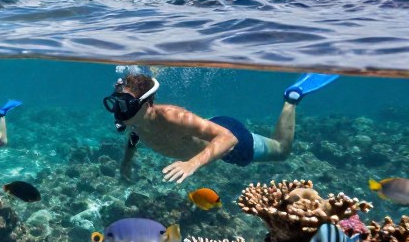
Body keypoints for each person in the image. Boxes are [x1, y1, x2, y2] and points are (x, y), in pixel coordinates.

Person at [105, 72, 338, 184]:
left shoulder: (173, 117)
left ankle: (292, 98)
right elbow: (135, 137)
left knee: (281, 151)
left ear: (147, 104)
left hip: (226, 137)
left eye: (125, 105)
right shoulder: (136, 120)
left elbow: (227, 139)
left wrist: (192, 163)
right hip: (205, 131)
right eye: (116, 104)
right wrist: (126, 163)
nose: (119, 112)